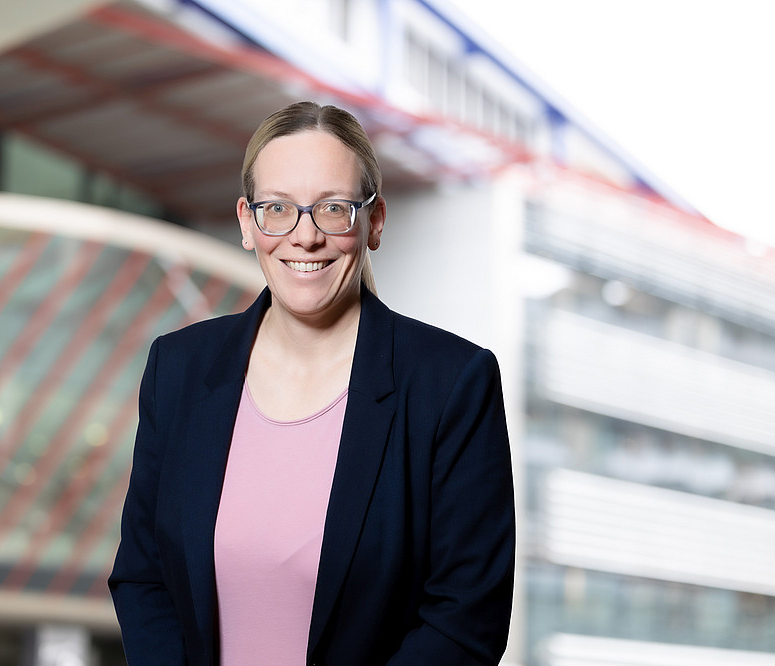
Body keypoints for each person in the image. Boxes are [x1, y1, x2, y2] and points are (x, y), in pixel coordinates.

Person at [109, 101, 515, 665]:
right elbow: (142, 576)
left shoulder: (451, 384)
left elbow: (466, 620)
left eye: (333, 209)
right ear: (248, 224)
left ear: (373, 222)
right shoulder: (178, 368)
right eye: (277, 209)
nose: (305, 237)